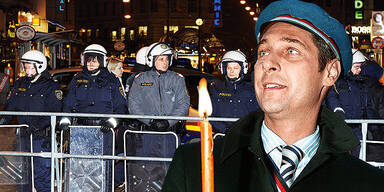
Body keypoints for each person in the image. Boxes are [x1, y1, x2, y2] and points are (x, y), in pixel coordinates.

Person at [162, 0, 384, 191]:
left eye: (291, 50)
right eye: (263, 52)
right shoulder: (193, 167)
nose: (267, 62)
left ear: (330, 72)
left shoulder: (366, 183)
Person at [58, 44, 127, 192]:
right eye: (89, 60)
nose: (91, 63)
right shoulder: (77, 79)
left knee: (103, 168)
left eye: (94, 60)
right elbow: (68, 102)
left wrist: (113, 122)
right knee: (81, 167)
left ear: (102, 61)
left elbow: (121, 106)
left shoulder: (111, 80)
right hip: (81, 131)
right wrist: (65, 119)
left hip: (104, 131)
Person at [127, 42, 190, 191]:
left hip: (169, 134)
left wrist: (168, 122)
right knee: (146, 172)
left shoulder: (177, 79)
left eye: (167, 59)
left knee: (169, 170)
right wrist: (150, 121)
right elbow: (133, 106)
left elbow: (183, 104)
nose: (165, 62)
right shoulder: (140, 79)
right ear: (151, 60)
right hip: (147, 134)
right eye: (161, 59)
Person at [0, 50, 63, 192]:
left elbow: (55, 111)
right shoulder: (20, 84)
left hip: (41, 138)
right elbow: (11, 107)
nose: (27, 70)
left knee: (41, 175)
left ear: (40, 67)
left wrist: (38, 126)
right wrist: (3, 120)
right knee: (23, 176)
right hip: (23, 136)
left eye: (30, 67)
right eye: (26, 66)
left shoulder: (51, 86)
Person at [209, 50, 260, 133]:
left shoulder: (252, 89)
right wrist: (227, 131)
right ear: (224, 69)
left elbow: (258, 115)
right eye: (229, 68)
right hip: (222, 135)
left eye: (235, 68)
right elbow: (211, 115)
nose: (231, 71)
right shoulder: (216, 89)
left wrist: (247, 130)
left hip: (246, 134)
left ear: (243, 69)